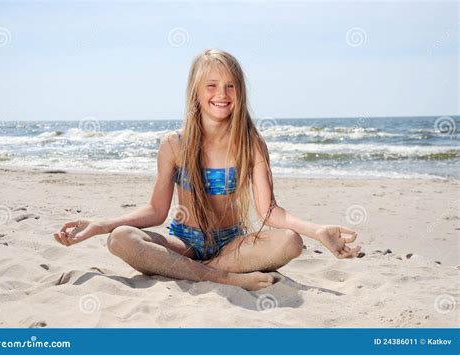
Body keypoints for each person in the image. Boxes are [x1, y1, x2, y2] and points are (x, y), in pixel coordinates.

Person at [54, 49, 361, 291]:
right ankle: (220, 278)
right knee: (120, 238)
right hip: (183, 244)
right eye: (212, 86)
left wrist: (317, 231)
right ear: (197, 92)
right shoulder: (174, 144)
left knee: (291, 242)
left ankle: (208, 272)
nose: (222, 94)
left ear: (240, 92)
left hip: (231, 247)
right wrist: (100, 224)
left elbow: (270, 212)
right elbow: (156, 211)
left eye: (230, 86)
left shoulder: (250, 143)